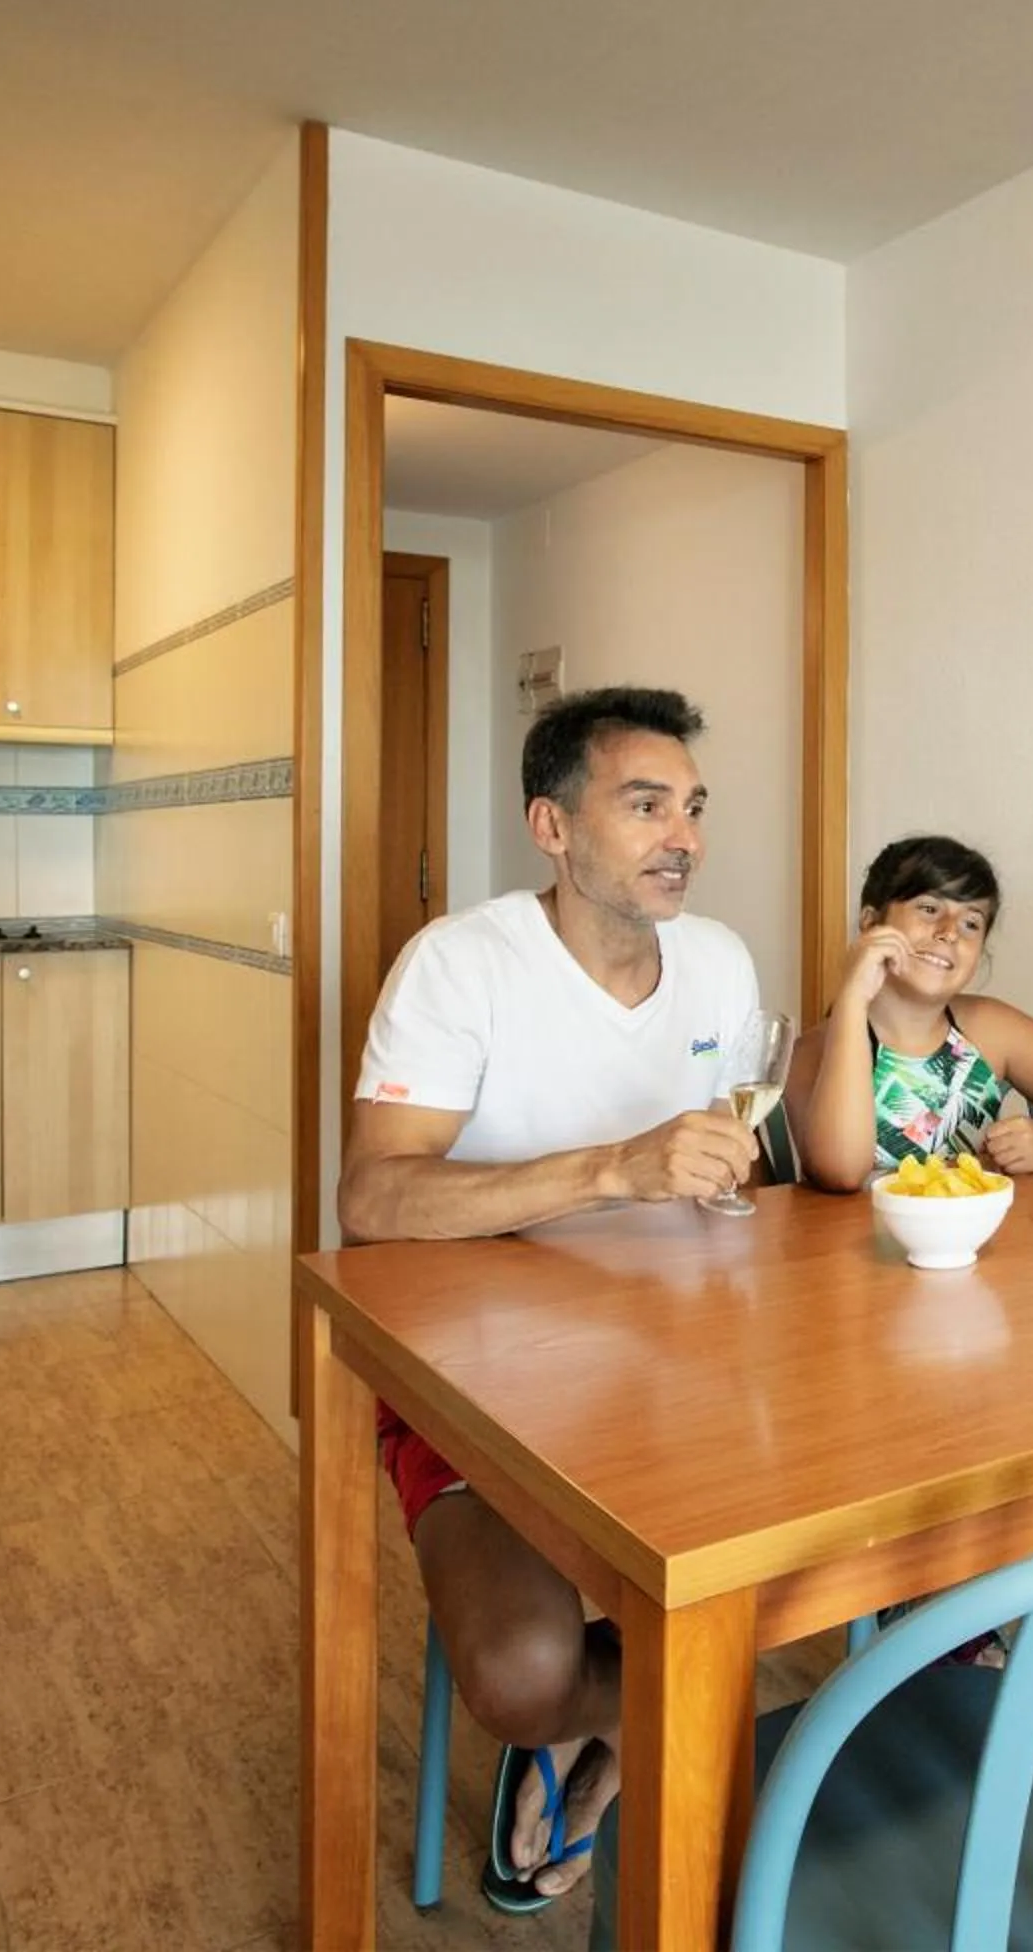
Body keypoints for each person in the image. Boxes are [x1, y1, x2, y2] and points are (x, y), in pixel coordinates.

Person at [339, 686, 762, 1914]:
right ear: (554, 824)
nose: (681, 833)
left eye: (691, 807)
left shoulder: (720, 962)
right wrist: (608, 1169)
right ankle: (637, 1714)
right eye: (644, 805)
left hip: (688, 1354)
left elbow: (737, 1156)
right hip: (482, 1370)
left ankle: (640, 1713)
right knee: (525, 1671)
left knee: (839, 1535)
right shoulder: (462, 964)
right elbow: (372, 1195)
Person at [785, 833, 1033, 1190]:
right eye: (928, 909)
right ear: (870, 922)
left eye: (971, 923)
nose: (949, 932)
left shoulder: (990, 1028)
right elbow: (841, 1172)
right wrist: (851, 998)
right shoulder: (814, 1051)